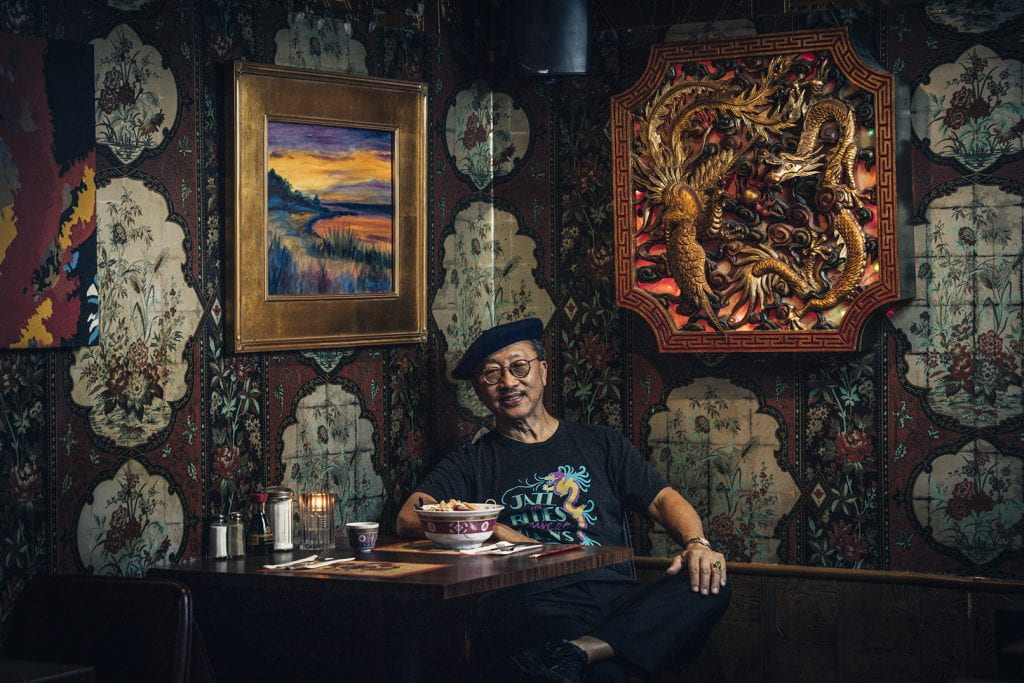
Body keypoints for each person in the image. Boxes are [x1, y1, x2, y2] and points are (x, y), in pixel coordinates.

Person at [396, 318, 731, 682]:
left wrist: (698, 544)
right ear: (480, 390)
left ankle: (582, 649)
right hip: (536, 603)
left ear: (542, 370)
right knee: (608, 675)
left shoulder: (601, 443)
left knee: (712, 578)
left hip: (615, 596)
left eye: (519, 366)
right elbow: (409, 517)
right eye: (492, 375)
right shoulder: (472, 461)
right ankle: (594, 650)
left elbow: (663, 499)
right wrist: (493, 529)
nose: (508, 382)